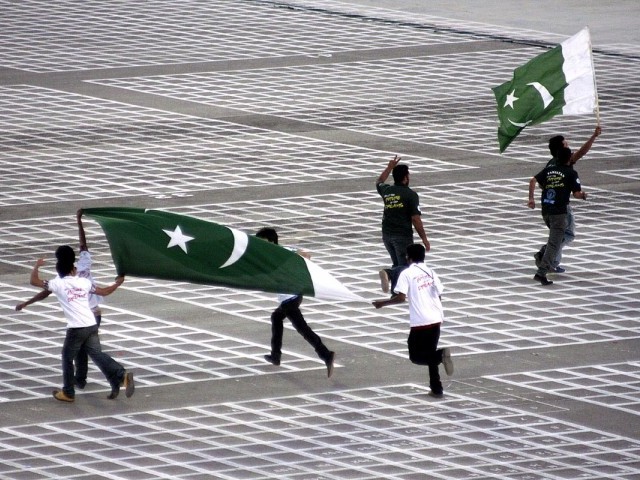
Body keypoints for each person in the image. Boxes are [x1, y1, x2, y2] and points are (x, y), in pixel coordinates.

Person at [27, 253, 134, 402]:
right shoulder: (84, 282)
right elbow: (105, 291)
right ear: (72, 270)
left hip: (76, 328)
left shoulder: (57, 284)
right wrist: (118, 283)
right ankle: (121, 375)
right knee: (97, 354)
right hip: (91, 324)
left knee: (66, 357)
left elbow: (34, 281)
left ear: (59, 272)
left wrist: (37, 266)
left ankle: (68, 393)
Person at [15, 210, 103, 390]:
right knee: (86, 350)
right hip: (95, 314)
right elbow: (83, 244)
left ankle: (86, 379)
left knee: (79, 351)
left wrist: (27, 303)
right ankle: (86, 379)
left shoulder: (62, 276)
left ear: (59, 261)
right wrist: (79, 222)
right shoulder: (84, 262)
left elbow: (44, 291)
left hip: (81, 318)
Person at [372, 243, 453, 398]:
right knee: (429, 353)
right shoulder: (431, 272)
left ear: (408, 258)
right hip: (436, 318)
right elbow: (439, 294)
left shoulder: (407, 273)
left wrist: (382, 303)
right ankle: (437, 388)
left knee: (415, 356)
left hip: (421, 321)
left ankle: (441, 355)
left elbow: (401, 297)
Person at [255, 227, 335, 378]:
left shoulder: (279, 254)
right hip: (294, 295)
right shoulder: (276, 252)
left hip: (289, 298)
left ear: (271, 242)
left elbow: (305, 255)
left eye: (262, 242)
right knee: (276, 317)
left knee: (303, 329)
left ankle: (326, 355)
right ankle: (275, 356)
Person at [536, 126, 601, 272]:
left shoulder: (551, 163)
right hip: (561, 207)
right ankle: (547, 255)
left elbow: (540, 183)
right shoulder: (565, 162)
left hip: (547, 206)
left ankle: (551, 260)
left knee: (560, 234)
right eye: (566, 144)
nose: (569, 145)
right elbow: (582, 152)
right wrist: (594, 136)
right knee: (568, 233)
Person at [529, 147, 587, 285]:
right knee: (554, 243)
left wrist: (531, 199)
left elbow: (533, 180)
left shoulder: (549, 170)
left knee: (556, 240)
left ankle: (544, 259)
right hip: (559, 213)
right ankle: (541, 272)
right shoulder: (571, 173)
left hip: (546, 210)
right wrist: (583, 195)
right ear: (569, 158)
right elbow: (576, 194)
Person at [376, 155, 430, 294]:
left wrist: (389, 167)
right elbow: (416, 219)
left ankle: (396, 292)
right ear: (405, 178)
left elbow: (379, 181)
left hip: (386, 234)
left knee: (397, 263)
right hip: (402, 235)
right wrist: (424, 238)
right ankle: (388, 273)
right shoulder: (410, 195)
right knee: (406, 265)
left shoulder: (387, 191)